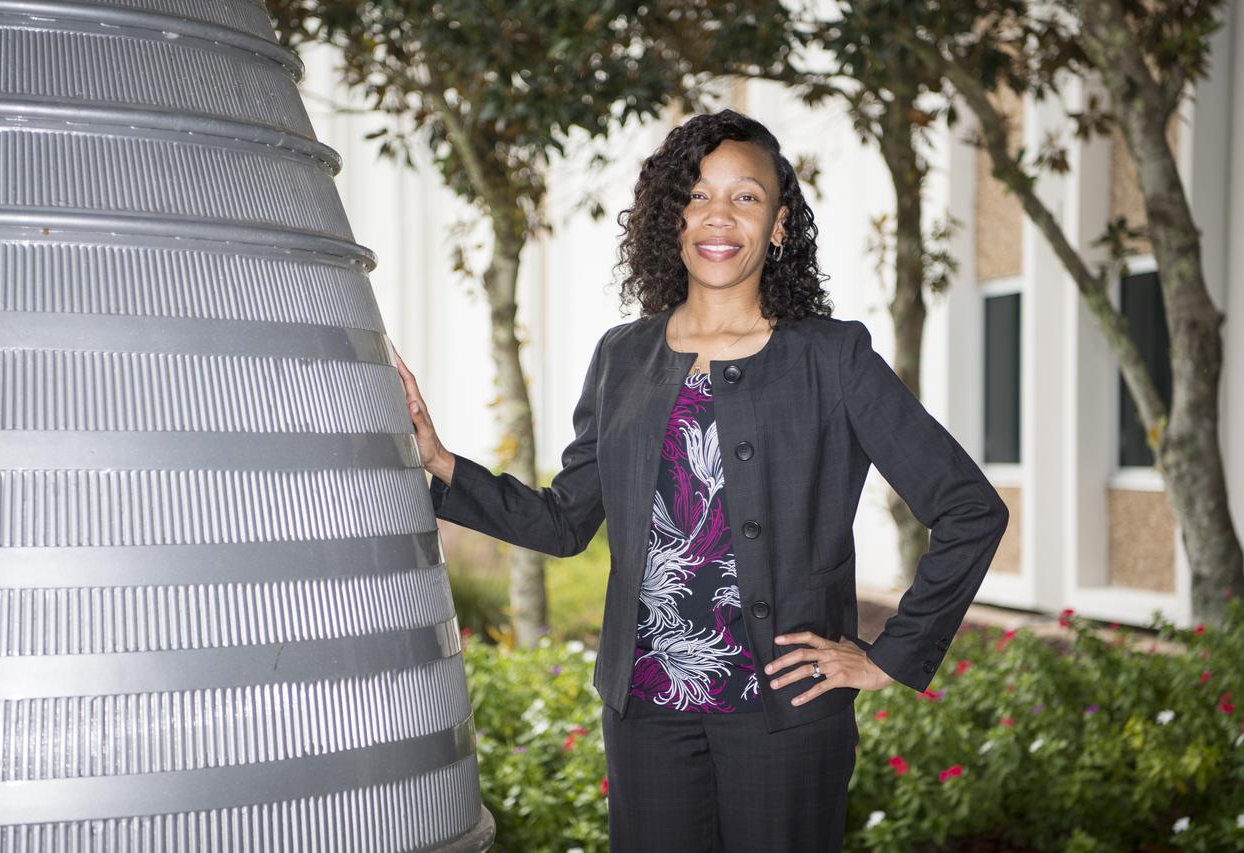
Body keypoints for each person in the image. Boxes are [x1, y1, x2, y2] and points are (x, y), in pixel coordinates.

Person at [394, 109, 1009, 852]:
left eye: (745, 197)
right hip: (646, 711)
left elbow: (970, 508)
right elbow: (565, 521)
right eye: (697, 194)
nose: (720, 216)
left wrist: (887, 656)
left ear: (779, 223)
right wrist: (439, 461)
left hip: (783, 712)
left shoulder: (832, 359)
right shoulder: (622, 357)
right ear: (671, 216)